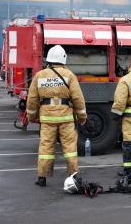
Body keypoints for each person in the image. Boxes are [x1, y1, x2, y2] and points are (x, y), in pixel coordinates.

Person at [26, 45, 87, 187]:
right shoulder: (70, 75)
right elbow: (78, 98)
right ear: (63, 59)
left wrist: (31, 116)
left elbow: (32, 99)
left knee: (46, 147)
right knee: (70, 148)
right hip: (66, 118)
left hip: (47, 118)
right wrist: (82, 116)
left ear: (49, 59)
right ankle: (74, 174)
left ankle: (42, 177)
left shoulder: (39, 75)